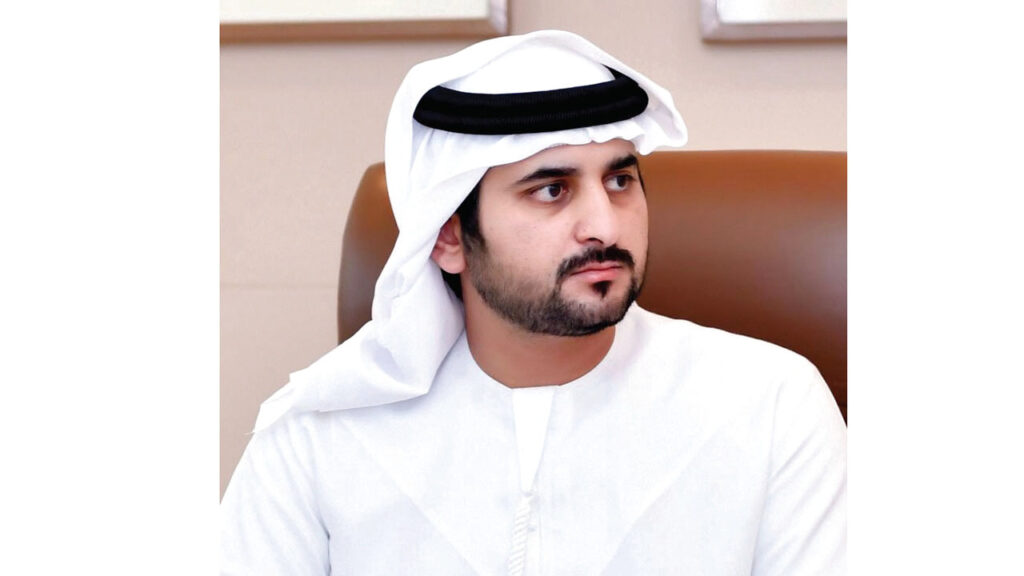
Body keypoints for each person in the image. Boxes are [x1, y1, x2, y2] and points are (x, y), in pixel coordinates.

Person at [221, 30, 846, 575]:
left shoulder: (770, 406)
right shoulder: (316, 437)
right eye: (551, 190)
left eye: (620, 181)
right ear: (448, 237)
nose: (604, 225)